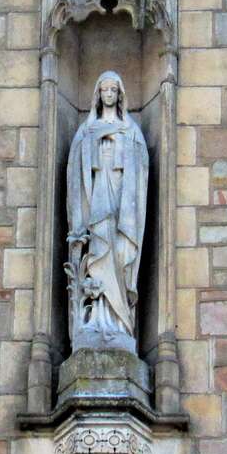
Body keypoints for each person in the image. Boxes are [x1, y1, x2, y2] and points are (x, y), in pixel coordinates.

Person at [65, 71, 148, 353]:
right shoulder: (88, 129)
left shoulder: (131, 129)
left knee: (118, 251)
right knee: (98, 245)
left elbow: (141, 167)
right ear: (98, 95)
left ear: (119, 94)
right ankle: (96, 317)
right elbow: (76, 166)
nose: (109, 95)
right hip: (99, 191)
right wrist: (96, 143)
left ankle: (118, 320)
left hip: (122, 197)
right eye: (104, 90)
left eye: (113, 90)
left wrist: (122, 146)